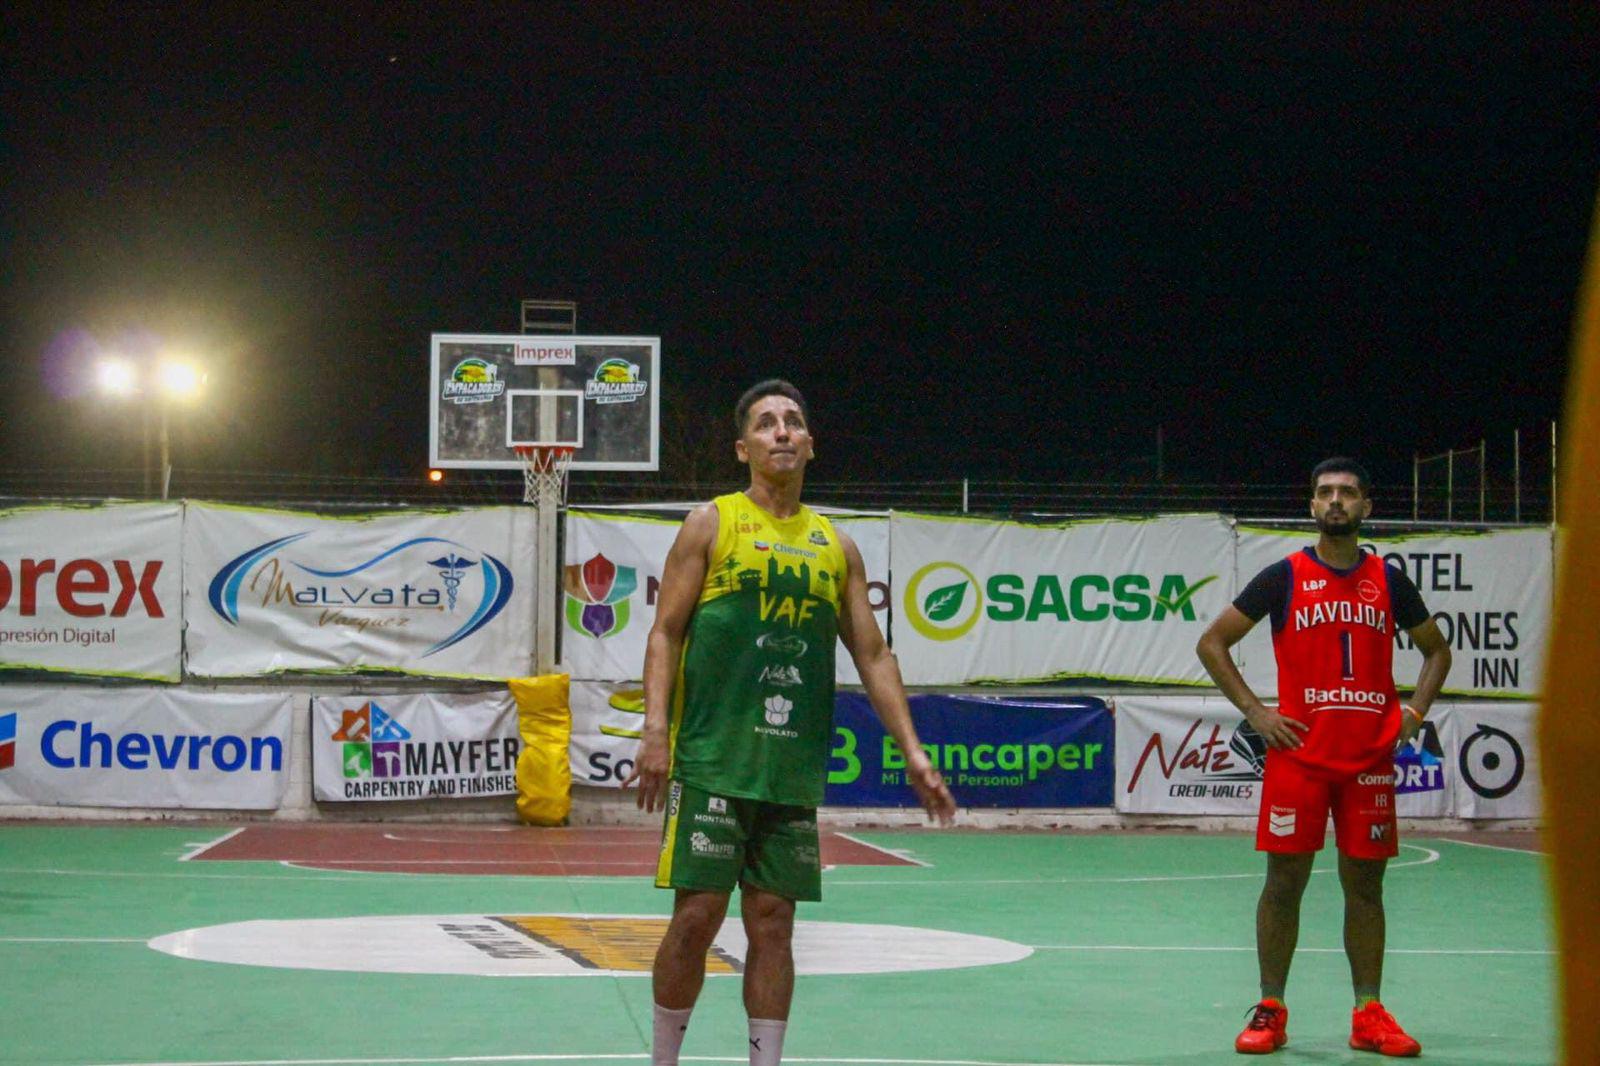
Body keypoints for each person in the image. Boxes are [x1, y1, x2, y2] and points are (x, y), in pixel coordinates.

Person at [624, 379, 956, 1066]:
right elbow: (665, 633)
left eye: (793, 422)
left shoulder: (836, 545)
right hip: (713, 760)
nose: (782, 431)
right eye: (766, 422)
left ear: (810, 445)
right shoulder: (711, 524)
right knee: (696, 919)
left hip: (790, 769)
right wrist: (655, 729)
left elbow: (873, 654)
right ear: (742, 447)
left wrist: (914, 752)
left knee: (774, 925)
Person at [1196, 457, 1452, 1058]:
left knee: (1365, 888)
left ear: (1367, 506)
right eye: (1325, 492)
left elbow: (1437, 652)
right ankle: (1271, 1008)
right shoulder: (1283, 576)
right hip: (1300, 758)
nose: (1336, 500)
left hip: (1367, 761)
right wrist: (1257, 713)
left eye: (1348, 492)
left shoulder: (1389, 581)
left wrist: (1414, 713)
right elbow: (1212, 643)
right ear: (1312, 505)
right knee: (1283, 884)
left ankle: (1368, 1014)